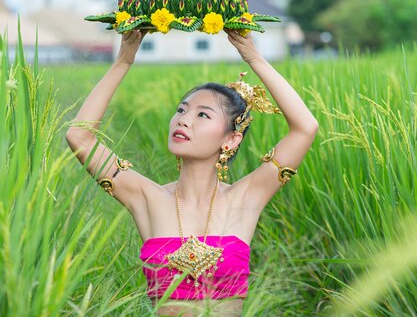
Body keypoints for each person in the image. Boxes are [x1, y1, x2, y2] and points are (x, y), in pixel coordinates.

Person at [66, 29, 319, 317]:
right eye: (182, 110)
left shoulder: (246, 197)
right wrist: (123, 61)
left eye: (202, 115)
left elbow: (305, 128)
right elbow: (80, 137)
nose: (184, 120)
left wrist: (253, 56)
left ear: (231, 140)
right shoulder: (147, 197)